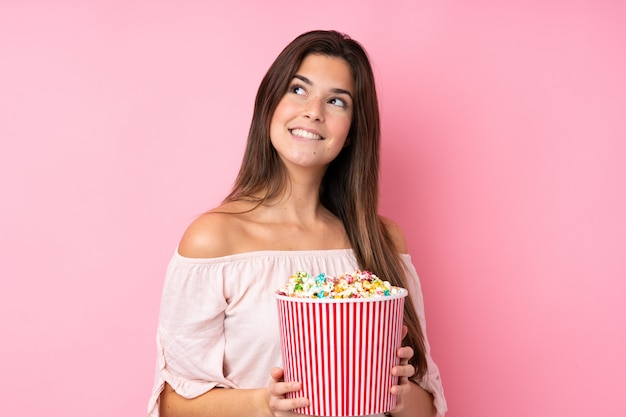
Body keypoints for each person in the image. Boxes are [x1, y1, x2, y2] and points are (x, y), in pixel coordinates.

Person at [148, 30, 447, 417]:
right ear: (270, 103)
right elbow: (173, 404)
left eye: (336, 101)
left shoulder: (381, 240)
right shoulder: (213, 239)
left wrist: (398, 392)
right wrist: (264, 404)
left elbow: (427, 404)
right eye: (298, 90)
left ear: (353, 130)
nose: (314, 111)